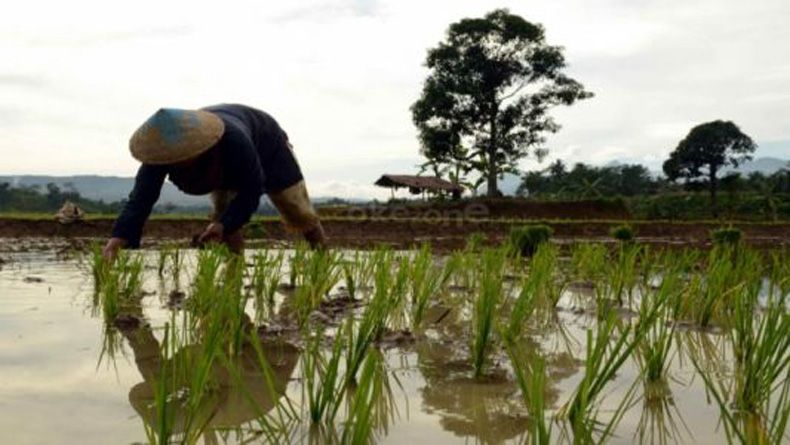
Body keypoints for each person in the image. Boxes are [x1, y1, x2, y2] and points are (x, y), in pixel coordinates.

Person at [102, 104, 326, 259]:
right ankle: (234, 267)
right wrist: (119, 237)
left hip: (268, 142)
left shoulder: (234, 141)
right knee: (223, 214)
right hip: (219, 162)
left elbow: (252, 188)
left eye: (184, 159)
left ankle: (322, 256)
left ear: (199, 148)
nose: (177, 164)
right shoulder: (160, 153)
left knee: (297, 209)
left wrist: (224, 223)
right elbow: (141, 198)